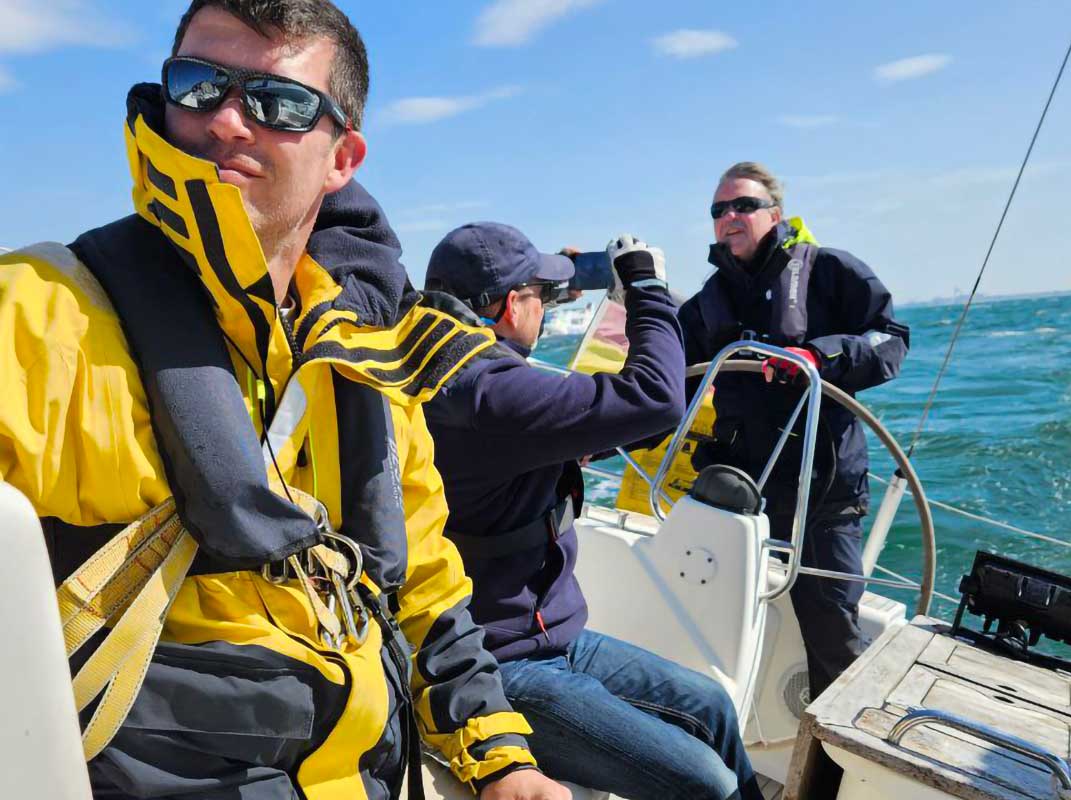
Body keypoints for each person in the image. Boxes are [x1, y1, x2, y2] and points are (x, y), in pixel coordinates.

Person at [0, 2, 569, 798]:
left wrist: (503, 757)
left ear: (343, 156)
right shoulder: (30, 314)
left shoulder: (367, 356)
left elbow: (427, 585)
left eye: (280, 102)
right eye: (199, 84)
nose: (229, 120)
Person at [421, 222, 767, 800]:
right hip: (499, 663)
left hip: (555, 638)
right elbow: (657, 398)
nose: (548, 311)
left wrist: (550, 277)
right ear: (510, 306)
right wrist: (647, 290)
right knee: (705, 782)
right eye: (540, 296)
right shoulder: (492, 396)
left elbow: (572, 429)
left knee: (712, 706)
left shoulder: (456, 377)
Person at [680, 162, 910, 701]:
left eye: (743, 206)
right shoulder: (706, 303)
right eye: (719, 210)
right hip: (741, 489)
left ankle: (831, 765)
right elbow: (668, 388)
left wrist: (818, 355)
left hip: (823, 488)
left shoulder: (829, 271)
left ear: (775, 214)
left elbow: (891, 339)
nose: (729, 217)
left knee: (831, 630)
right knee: (703, 611)